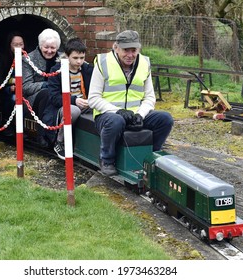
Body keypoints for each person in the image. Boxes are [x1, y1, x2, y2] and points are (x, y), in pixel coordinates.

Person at [88, 30, 174, 176]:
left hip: (135, 114)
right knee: (116, 121)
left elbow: (149, 97)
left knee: (165, 119)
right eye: (125, 50)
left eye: (133, 50)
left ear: (138, 49)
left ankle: (151, 156)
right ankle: (107, 160)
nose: (130, 55)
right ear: (116, 48)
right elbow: (93, 98)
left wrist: (140, 114)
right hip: (108, 115)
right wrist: (117, 111)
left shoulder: (144, 63)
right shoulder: (103, 63)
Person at [47, 37, 94, 160]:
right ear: (67, 56)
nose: (79, 61)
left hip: (86, 103)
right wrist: (74, 100)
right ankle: (60, 142)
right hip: (65, 106)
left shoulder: (88, 70)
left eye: (82, 58)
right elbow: (54, 97)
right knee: (73, 110)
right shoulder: (56, 71)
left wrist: (92, 100)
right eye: (75, 58)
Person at [22, 28, 61, 147]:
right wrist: (46, 85)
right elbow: (26, 87)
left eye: (53, 48)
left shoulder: (63, 58)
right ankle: (42, 133)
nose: (49, 51)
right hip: (34, 97)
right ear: (40, 46)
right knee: (47, 94)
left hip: (57, 93)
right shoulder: (28, 59)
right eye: (46, 47)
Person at [0, 31, 26, 131]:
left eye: (21, 44)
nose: (19, 47)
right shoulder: (3, 58)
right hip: (7, 91)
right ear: (9, 45)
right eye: (15, 45)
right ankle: (10, 126)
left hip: (26, 88)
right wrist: (12, 82)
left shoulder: (28, 56)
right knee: (14, 99)